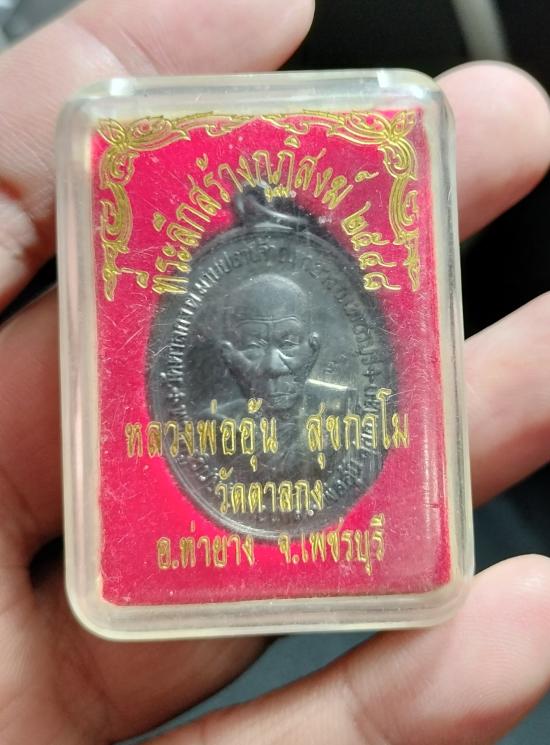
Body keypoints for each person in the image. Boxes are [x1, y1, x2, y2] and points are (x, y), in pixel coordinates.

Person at [0, 1, 549, 743]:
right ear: (225, 355)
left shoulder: (347, 424)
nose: (272, 367)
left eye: (291, 345)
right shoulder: (203, 430)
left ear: (317, 347)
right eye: (251, 350)